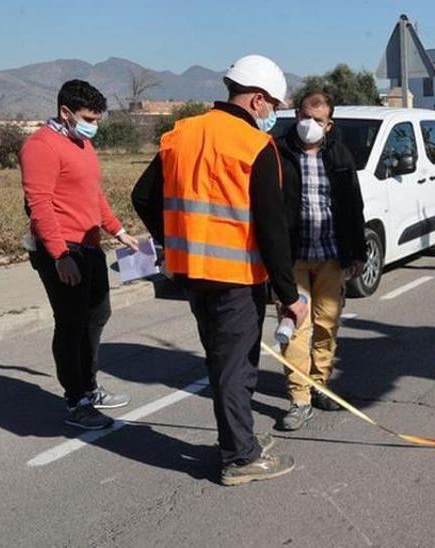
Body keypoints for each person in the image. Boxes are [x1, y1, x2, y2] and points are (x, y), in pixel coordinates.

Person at [131, 54, 304, 486]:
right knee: (236, 368)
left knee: (220, 362)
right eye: (275, 107)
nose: (274, 116)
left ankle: (237, 439)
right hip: (236, 279)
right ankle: (240, 457)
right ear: (258, 101)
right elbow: (272, 229)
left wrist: (172, 240)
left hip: (191, 273)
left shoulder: (181, 134)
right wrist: (289, 295)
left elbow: (143, 196)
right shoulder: (255, 147)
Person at [20, 79, 141, 430]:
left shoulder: (82, 144)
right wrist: (60, 255)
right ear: (65, 112)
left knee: (98, 314)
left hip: (89, 245)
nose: (94, 125)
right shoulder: (40, 146)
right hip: (63, 249)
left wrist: (118, 231)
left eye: (99, 119)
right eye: (89, 117)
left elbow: (93, 195)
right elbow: (39, 205)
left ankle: (89, 385)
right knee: (71, 324)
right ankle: (76, 400)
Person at [271, 90, 367, 431]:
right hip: (292, 258)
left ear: (329, 125)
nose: (309, 125)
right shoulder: (277, 153)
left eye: (317, 120)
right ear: (296, 115)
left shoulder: (339, 156)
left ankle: (320, 383)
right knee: (296, 328)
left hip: (330, 256)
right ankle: (299, 399)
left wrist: (358, 252)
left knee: (327, 324)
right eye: (304, 117)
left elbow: (354, 205)